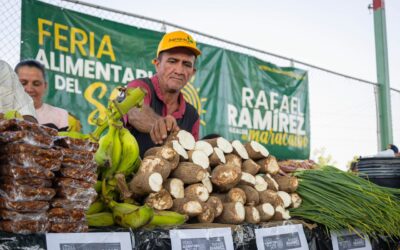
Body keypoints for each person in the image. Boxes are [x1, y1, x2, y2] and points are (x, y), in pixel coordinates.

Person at [126, 30, 201, 156]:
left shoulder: (192, 115)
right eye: (172, 61)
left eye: (186, 64)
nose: (179, 70)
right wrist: (158, 123)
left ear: (192, 73)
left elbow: (190, 157)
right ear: (157, 64)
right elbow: (134, 112)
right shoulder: (139, 87)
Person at [15, 59, 69, 130]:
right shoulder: (3, 113)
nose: (29, 89)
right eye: (23, 83)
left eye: (36, 83)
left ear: (45, 86)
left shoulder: (61, 115)